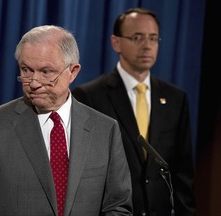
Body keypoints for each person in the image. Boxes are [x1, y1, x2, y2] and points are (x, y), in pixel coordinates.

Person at [0, 25, 133, 216]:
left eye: (46, 72)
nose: (34, 83)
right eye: (26, 70)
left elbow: (118, 207)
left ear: (73, 71)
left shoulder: (105, 129)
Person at [72, 8, 195, 216]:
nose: (147, 45)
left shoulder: (175, 98)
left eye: (153, 38)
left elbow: (183, 172)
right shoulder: (90, 96)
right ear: (116, 42)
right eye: (137, 37)